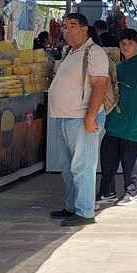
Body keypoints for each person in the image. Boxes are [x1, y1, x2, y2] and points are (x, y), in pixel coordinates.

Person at [47, 13, 110, 227]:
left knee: (83, 166)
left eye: (72, 26)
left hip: (82, 118)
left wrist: (90, 117)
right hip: (65, 117)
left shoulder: (94, 52)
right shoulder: (71, 52)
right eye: (65, 27)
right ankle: (71, 206)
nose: (67, 31)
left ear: (85, 29)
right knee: (67, 166)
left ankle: (85, 211)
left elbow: (99, 86)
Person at [97, 28, 137, 207]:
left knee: (130, 159)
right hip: (114, 121)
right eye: (123, 43)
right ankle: (107, 192)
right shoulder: (119, 67)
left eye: (130, 43)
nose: (126, 47)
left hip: (134, 122)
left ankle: (132, 193)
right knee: (108, 156)